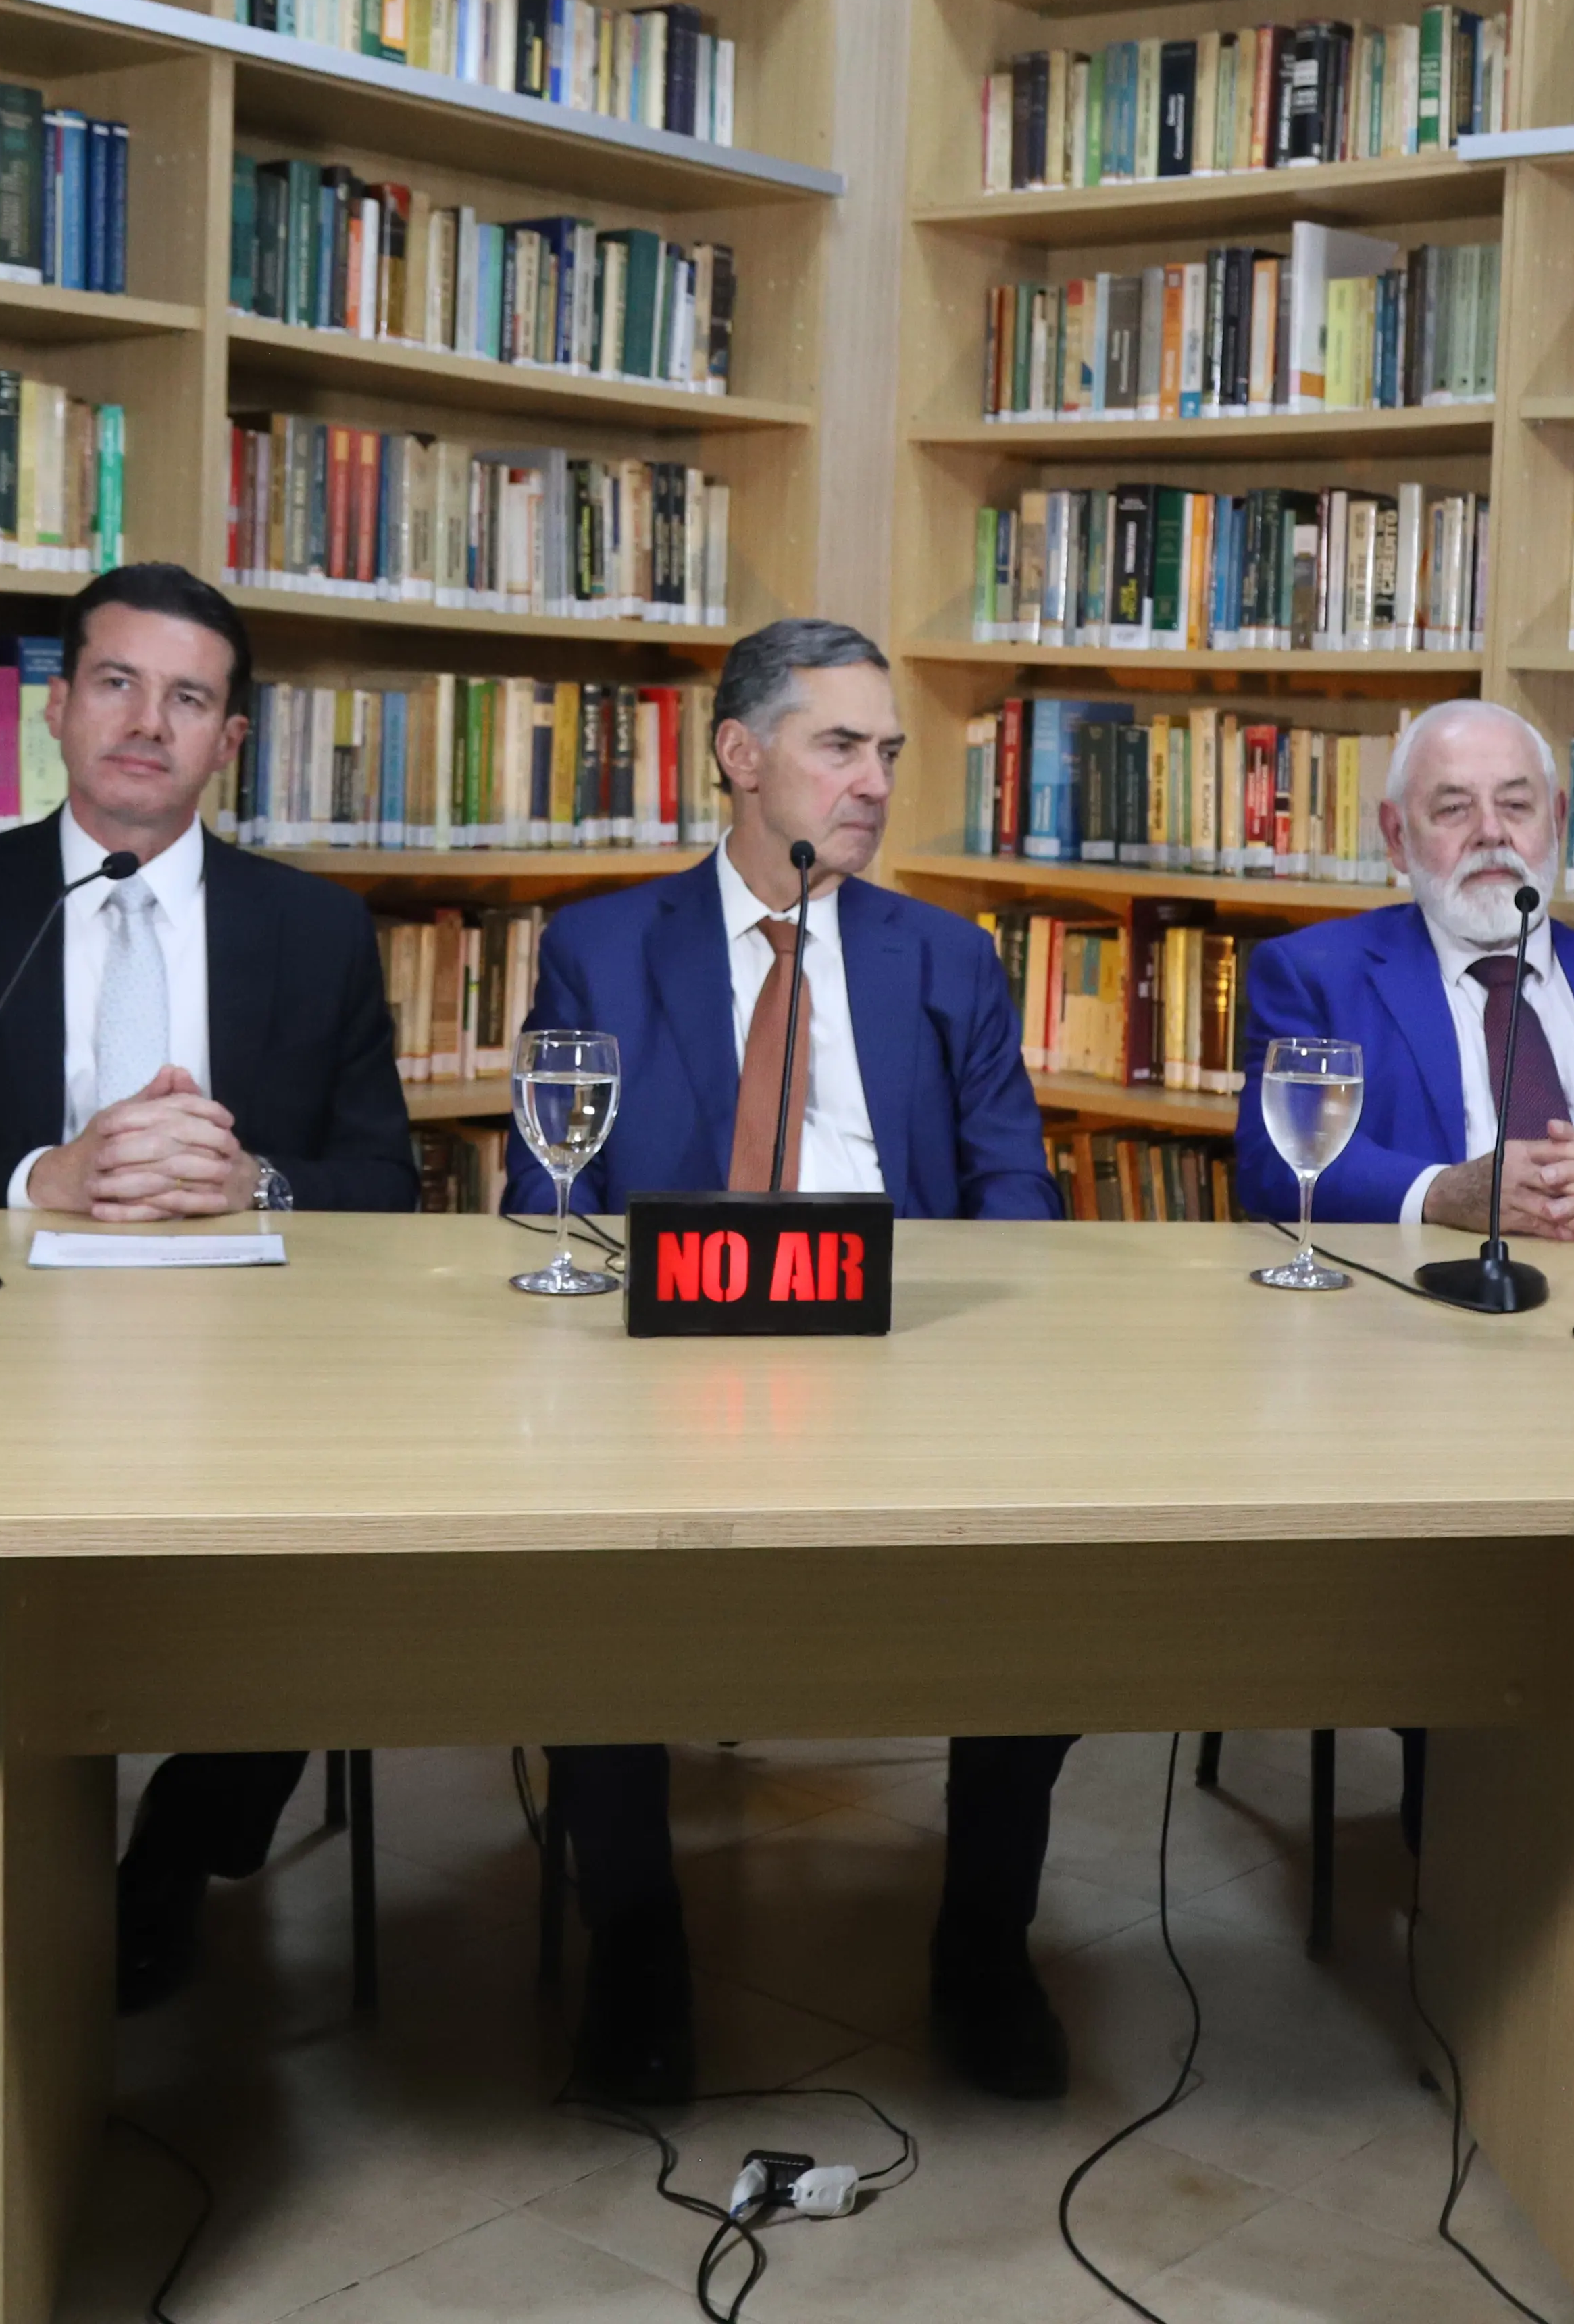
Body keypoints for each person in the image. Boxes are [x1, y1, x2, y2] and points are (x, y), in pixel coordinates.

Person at [0, 561, 418, 2025]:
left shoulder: (312, 928)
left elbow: (384, 1183)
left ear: (229, 745)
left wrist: (256, 1180)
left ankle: (170, 1867)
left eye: (190, 698)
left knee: (368, 1567)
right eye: (119, 684)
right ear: (59, 709)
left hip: (254, 1371)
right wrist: (42, 1178)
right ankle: (8, 1867)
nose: (150, 722)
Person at [499, 615, 1070, 2103]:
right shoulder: (604, 945)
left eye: (888, 752)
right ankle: (636, 1942)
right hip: (664, 1365)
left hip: (909, 1361)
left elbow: (1022, 1205)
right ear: (741, 758)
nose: (874, 781)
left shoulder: (947, 957)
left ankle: (985, 1941)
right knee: (576, 1574)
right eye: (840, 746)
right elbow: (540, 1199)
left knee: (1049, 1573)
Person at [1229, 697, 1574, 1239]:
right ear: (1397, 837)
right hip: (1420, 1296)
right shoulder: (1314, 976)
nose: (1491, 832)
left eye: (1516, 805)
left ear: (1558, 820)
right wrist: (1443, 1193)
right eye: (1453, 809)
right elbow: (1273, 1163)